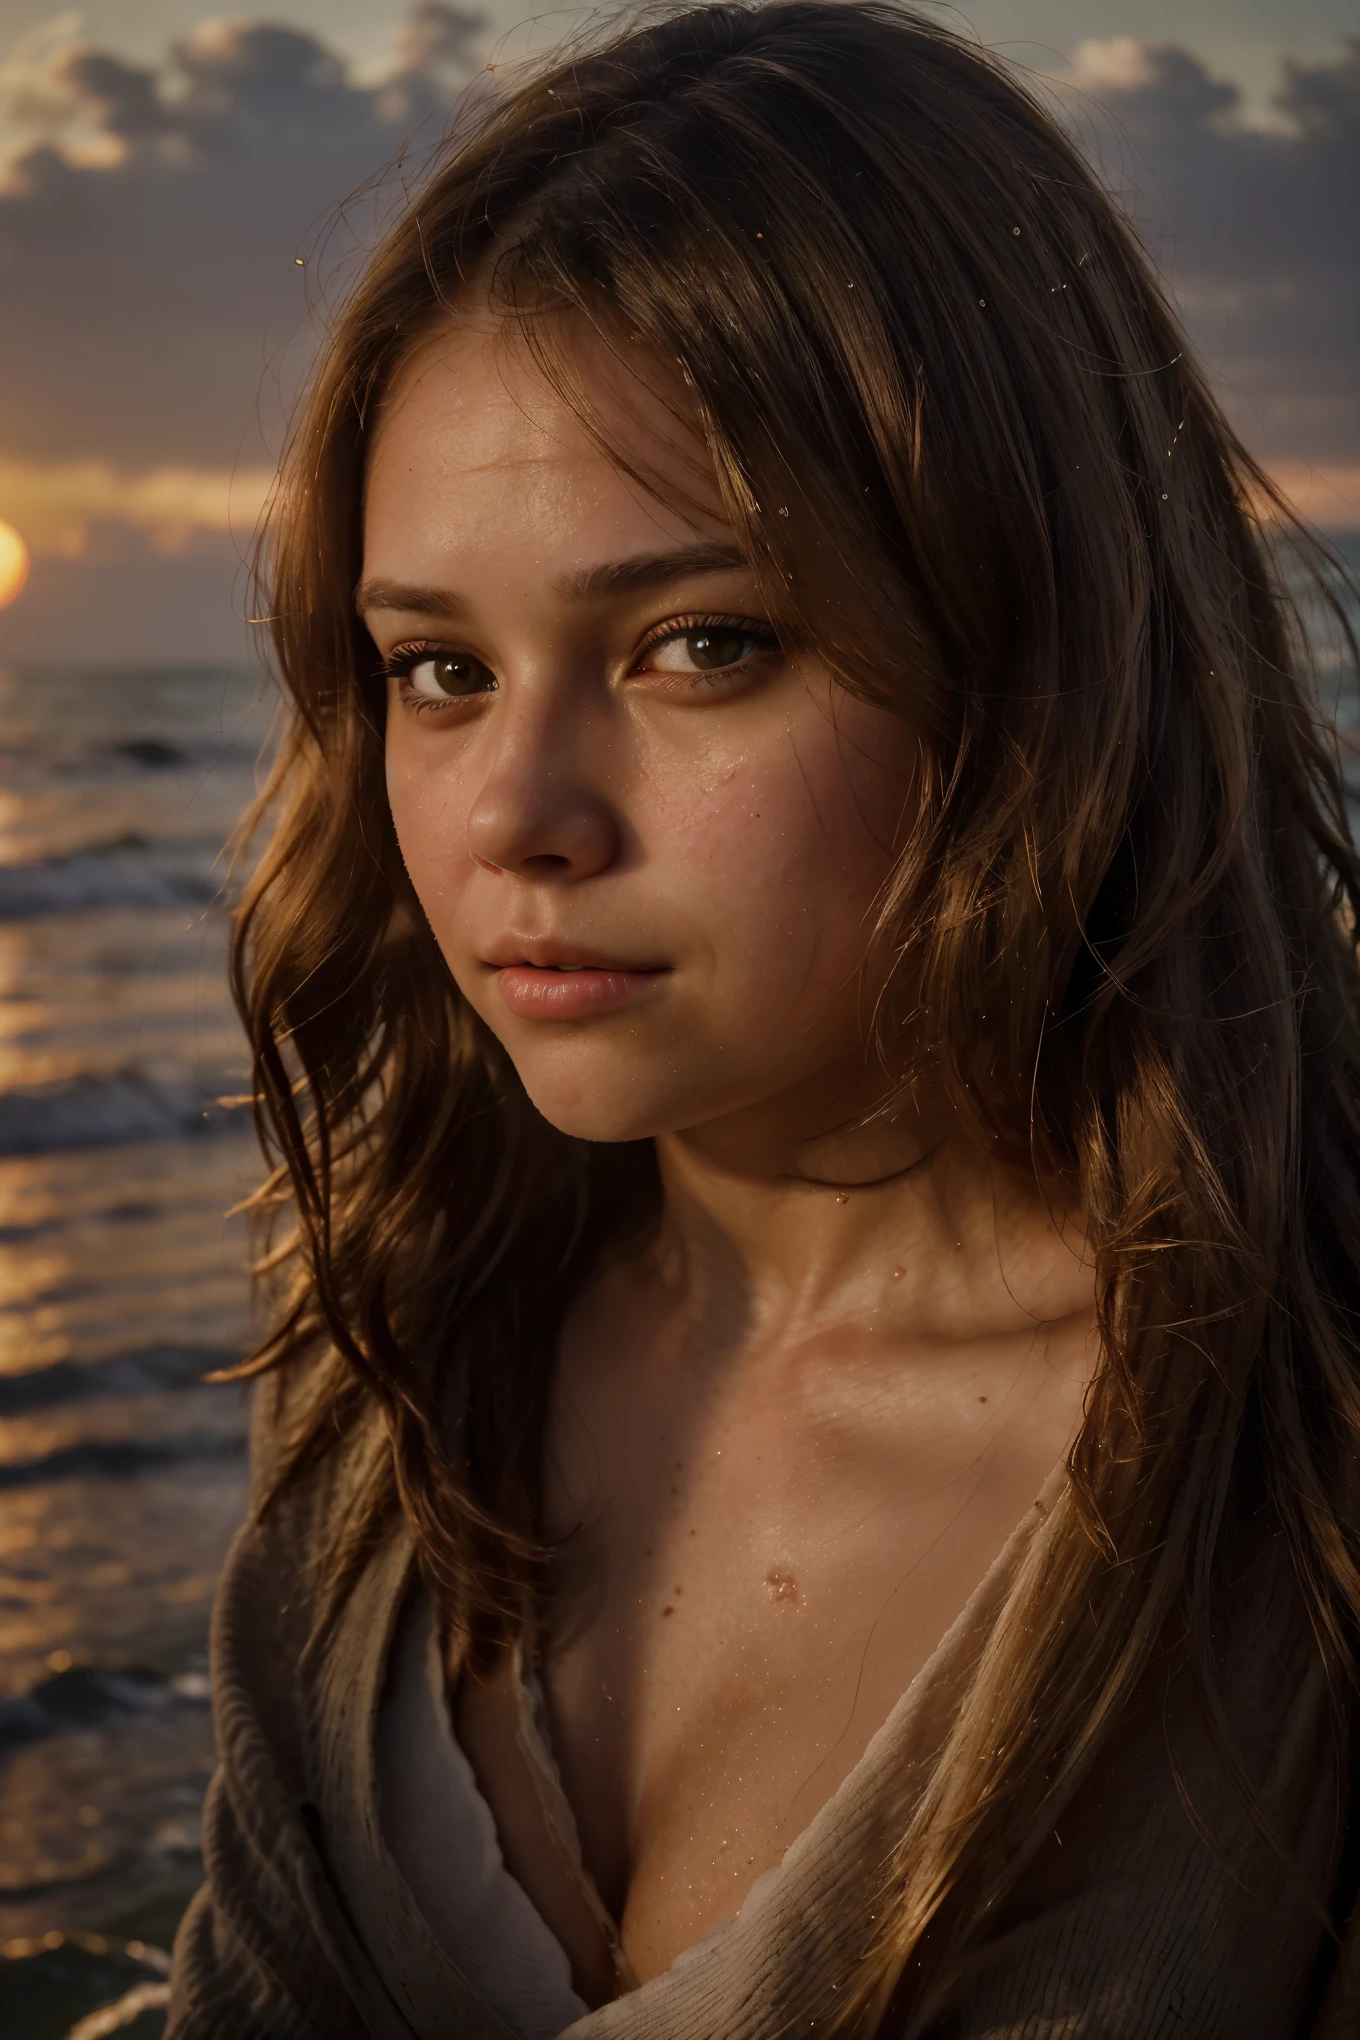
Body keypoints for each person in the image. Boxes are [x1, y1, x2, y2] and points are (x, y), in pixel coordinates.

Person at [164, 5, 1360, 2034]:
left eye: (696, 645)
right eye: (434, 670)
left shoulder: (1295, 1471)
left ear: (1025, 655)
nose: (515, 818)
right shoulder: (390, 1360)